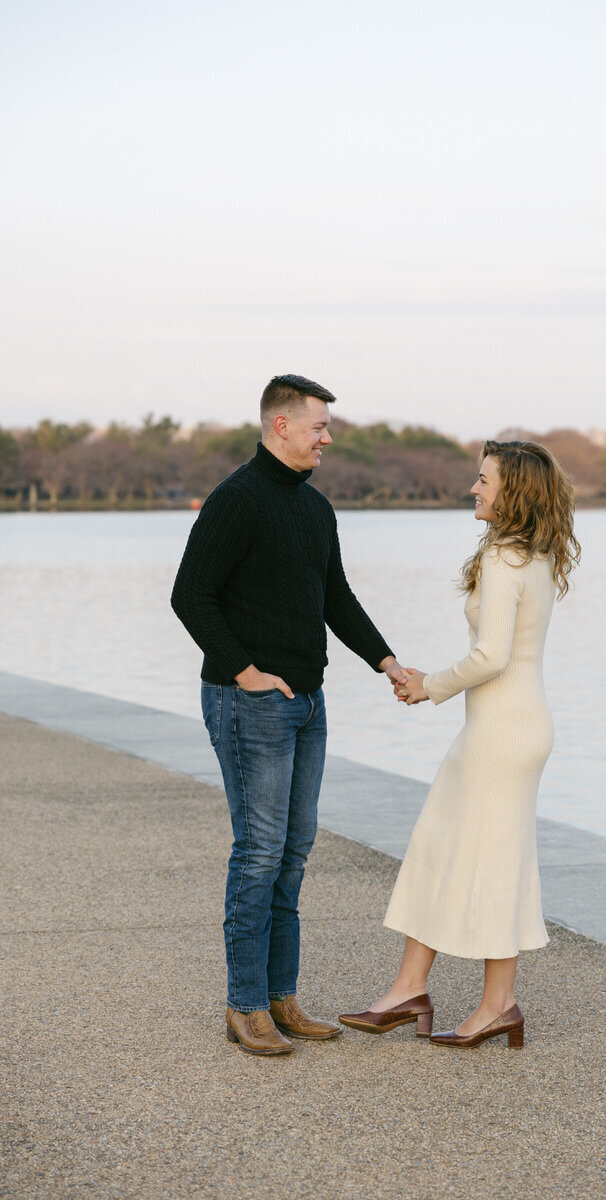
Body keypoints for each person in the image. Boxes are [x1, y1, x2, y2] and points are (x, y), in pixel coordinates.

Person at [171, 374, 405, 1056]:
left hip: (308, 703)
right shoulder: (235, 501)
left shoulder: (315, 508)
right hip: (250, 705)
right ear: (281, 426)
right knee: (259, 852)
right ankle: (245, 1005)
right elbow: (191, 596)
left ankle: (282, 997)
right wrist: (246, 674)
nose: (326, 437)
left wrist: (387, 662)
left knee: (293, 853)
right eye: (318, 426)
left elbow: (336, 598)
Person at [339, 441, 580, 1049]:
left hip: (502, 732)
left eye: (483, 480)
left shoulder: (504, 556)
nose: (474, 489)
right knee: (444, 845)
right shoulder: (537, 553)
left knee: (488, 863)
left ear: (513, 492)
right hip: (512, 726)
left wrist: (429, 686)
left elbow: (491, 656)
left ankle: (494, 1004)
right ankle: (410, 989)